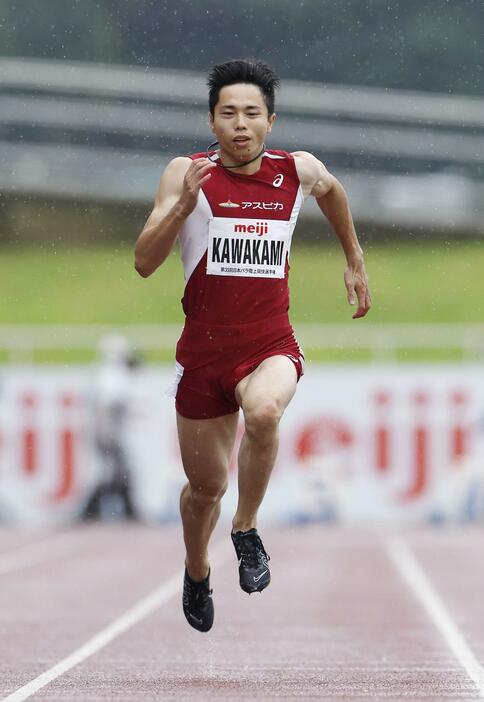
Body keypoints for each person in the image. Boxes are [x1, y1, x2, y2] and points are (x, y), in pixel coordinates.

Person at [134, 58, 371, 632]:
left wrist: (354, 257)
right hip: (204, 354)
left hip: (270, 343)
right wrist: (184, 208)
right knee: (203, 489)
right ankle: (196, 569)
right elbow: (144, 262)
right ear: (212, 122)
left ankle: (245, 528)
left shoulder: (298, 170)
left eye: (252, 114)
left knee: (264, 412)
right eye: (228, 114)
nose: (240, 125)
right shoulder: (184, 174)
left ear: (270, 121)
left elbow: (333, 192)